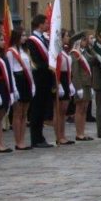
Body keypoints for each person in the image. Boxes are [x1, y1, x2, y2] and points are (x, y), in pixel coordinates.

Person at [25, 15, 54, 148]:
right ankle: (35, 138)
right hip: (39, 78)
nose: (47, 25)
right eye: (46, 23)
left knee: (42, 109)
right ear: (40, 25)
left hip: (46, 78)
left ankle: (40, 136)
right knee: (36, 109)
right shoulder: (32, 41)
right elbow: (35, 61)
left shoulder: (45, 39)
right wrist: (49, 65)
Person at [70, 32, 94, 141]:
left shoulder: (84, 52)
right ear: (78, 41)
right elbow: (75, 72)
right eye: (84, 40)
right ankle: (79, 133)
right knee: (80, 109)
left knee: (84, 109)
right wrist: (78, 87)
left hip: (87, 84)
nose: (86, 42)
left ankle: (82, 132)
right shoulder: (75, 53)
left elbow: (92, 60)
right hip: (81, 85)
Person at [54, 29, 73, 146]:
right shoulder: (57, 52)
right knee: (59, 111)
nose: (68, 38)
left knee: (64, 111)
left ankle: (63, 134)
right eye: (66, 36)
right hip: (60, 78)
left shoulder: (64, 51)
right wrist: (58, 83)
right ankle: (58, 136)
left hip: (66, 78)